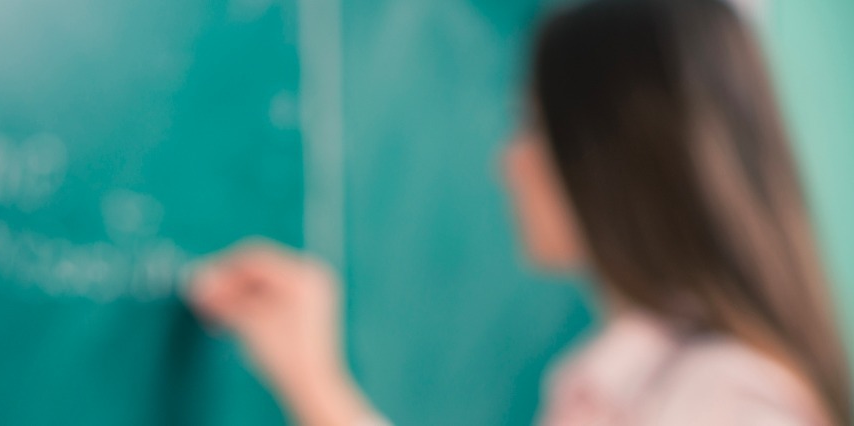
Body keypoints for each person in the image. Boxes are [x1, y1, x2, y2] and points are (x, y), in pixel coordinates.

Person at [186, 0, 851, 424]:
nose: (508, 162)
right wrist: (314, 380)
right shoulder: (637, 385)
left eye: (529, 125)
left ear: (614, 156)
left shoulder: (723, 403)